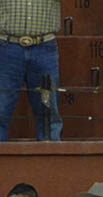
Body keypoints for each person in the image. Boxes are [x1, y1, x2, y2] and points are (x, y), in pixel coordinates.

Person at [0, 0, 63, 141]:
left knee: (48, 114)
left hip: (44, 46)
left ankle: (50, 160)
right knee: (1, 109)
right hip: (6, 47)